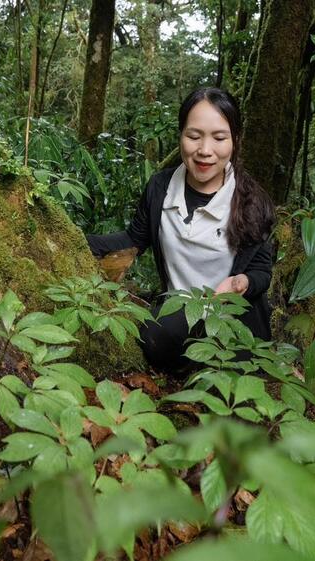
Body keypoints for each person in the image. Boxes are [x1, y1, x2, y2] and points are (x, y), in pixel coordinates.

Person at [87, 87, 275, 373]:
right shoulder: (161, 188)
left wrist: (240, 283)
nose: (205, 150)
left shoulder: (251, 200)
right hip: (179, 314)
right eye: (194, 136)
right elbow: (134, 239)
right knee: (152, 333)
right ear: (181, 136)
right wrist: (77, 239)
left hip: (231, 322)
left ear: (235, 140)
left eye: (219, 138)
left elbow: (262, 270)